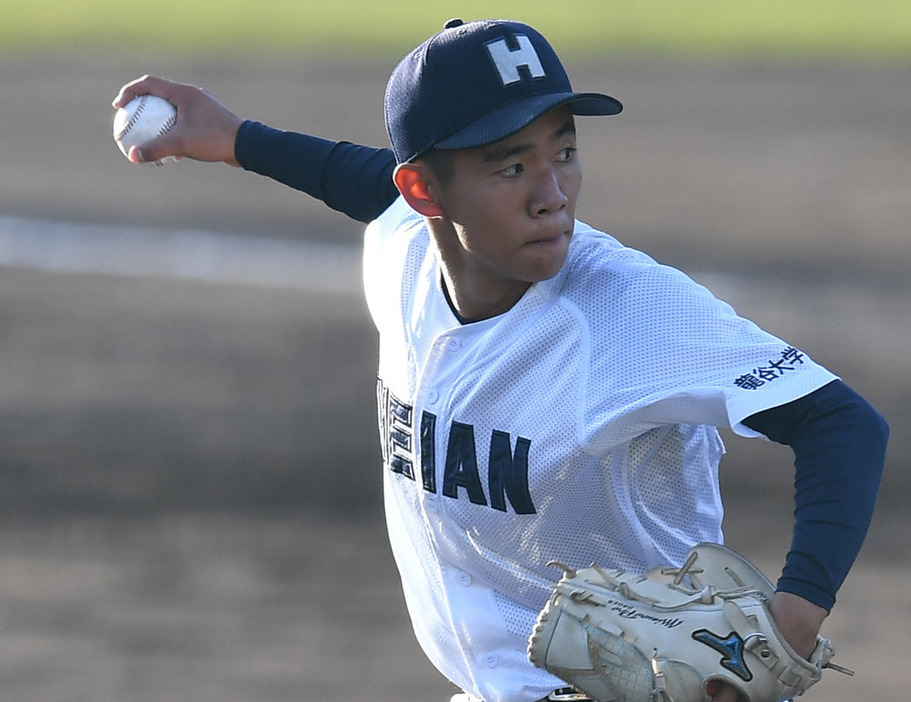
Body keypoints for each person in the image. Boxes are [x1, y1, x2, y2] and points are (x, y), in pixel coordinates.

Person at [113, 18, 889, 702]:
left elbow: (842, 424)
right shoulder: (402, 248)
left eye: (565, 152)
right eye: (510, 167)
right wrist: (233, 138)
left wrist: (792, 618)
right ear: (424, 192)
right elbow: (361, 178)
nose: (551, 194)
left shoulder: (627, 313)